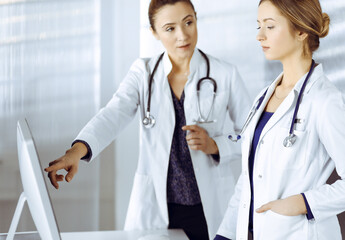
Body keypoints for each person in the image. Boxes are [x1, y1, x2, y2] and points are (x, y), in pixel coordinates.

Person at [44, 0, 250, 239]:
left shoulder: (225, 74)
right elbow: (113, 113)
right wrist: (77, 151)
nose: (182, 35)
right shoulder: (143, 73)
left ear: (196, 18)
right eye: (170, 28)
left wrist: (217, 145)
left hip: (209, 208)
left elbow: (252, 135)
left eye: (188, 23)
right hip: (157, 207)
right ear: (154, 32)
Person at [215, 0, 345, 239]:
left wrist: (303, 203)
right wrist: (225, 234)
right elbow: (249, 176)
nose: (260, 36)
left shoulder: (324, 101)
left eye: (270, 26)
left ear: (301, 31)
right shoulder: (263, 97)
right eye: (258, 26)